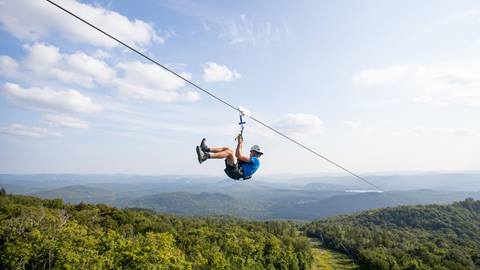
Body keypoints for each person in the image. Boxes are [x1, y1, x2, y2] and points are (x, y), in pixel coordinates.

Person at [196, 136, 263, 180]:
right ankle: (206, 149)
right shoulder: (251, 162)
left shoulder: (256, 160)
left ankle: (205, 156)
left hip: (237, 172)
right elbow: (240, 155)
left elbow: (238, 155)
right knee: (227, 149)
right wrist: (240, 143)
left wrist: (240, 143)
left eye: (252, 152)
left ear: (254, 152)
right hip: (236, 172)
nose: (250, 153)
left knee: (230, 152)